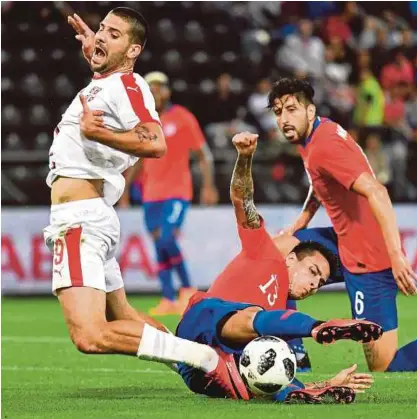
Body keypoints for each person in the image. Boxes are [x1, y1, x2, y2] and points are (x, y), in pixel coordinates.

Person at [42, 8, 246, 400]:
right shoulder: (108, 83)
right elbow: (110, 81)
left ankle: (203, 358)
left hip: (80, 222)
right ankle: (198, 365)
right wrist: (97, 49)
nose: (101, 36)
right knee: (126, 317)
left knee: (89, 334)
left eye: (114, 34)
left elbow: (155, 142)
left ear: (133, 50)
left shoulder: (129, 87)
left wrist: (97, 131)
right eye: (102, 28)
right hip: (89, 218)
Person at [175, 132, 382, 402]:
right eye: (313, 273)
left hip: (218, 369)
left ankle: (286, 385)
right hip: (199, 328)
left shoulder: (283, 317)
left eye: (319, 284)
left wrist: (327, 383)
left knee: (272, 362)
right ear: (291, 258)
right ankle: (318, 328)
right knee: (253, 318)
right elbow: (242, 199)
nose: (313, 286)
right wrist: (245, 158)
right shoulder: (264, 250)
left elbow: (275, 369)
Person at [268, 77, 417, 372]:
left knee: (384, 365)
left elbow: (378, 191)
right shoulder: (314, 135)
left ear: (310, 111)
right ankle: (296, 357)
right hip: (342, 239)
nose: (284, 118)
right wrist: (301, 221)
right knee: (274, 256)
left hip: (367, 254)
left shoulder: (325, 146)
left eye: (291, 109)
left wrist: (396, 255)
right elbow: (319, 181)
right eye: (278, 111)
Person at [119, 71, 219, 316]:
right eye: (150, 89)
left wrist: (208, 185)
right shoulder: (145, 123)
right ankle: (168, 297)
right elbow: (138, 161)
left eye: (158, 88)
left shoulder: (182, 117)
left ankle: (187, 288)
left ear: (167, 91)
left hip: (177, 192)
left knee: (166, 239)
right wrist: (124, 191)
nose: (155, 93)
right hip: (150, 194)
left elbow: (203, 154)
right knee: (158, 246)